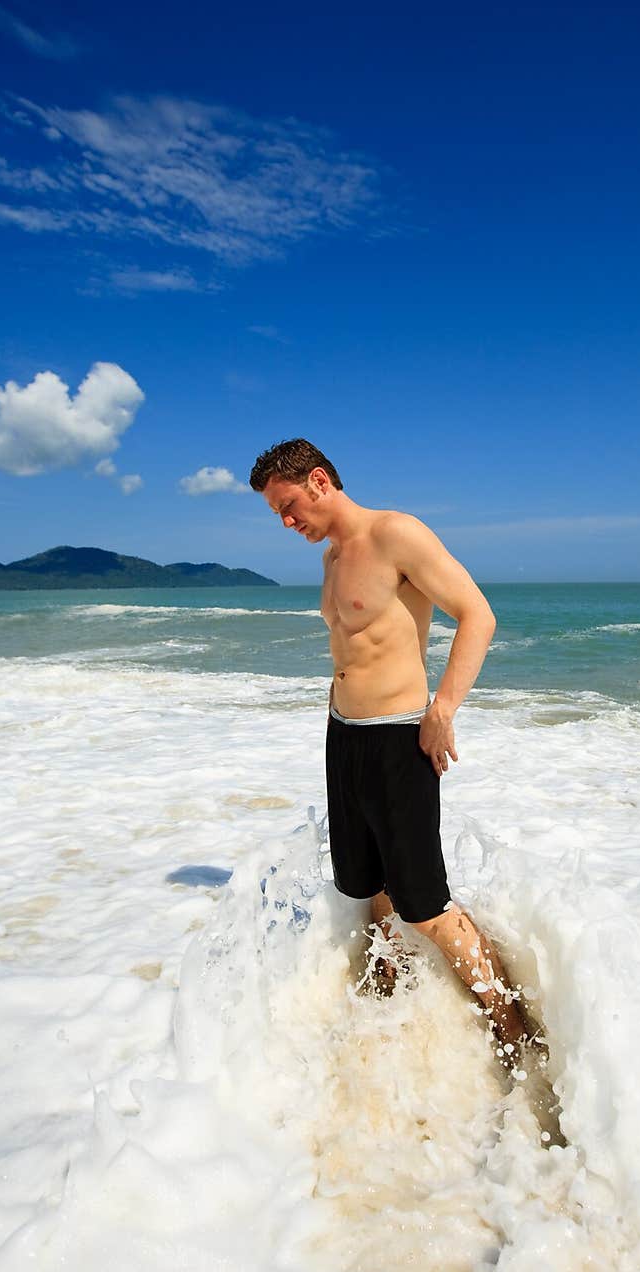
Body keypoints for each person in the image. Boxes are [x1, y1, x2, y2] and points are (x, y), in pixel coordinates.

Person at [249, 438, 531, 1056]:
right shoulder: (331, 558)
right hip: (344, 735)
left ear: (319, 481)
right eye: (277, 513)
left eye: (289, 505)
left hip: (398, 736)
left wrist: (443, 709)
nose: (287, 521)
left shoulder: (397, 534)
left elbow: (477, 615)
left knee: (424, 903)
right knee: (368, 881)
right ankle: (390, 984)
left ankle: (512, 1027)